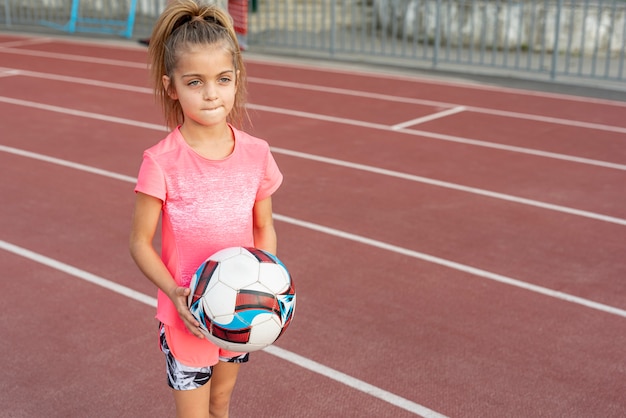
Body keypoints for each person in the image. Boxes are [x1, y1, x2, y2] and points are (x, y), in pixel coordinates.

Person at [128, 1, 283, 417]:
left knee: (220, 404)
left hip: (240, 314)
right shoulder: (160, 162)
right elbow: (140, 242)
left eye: (223, 79)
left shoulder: (257, 153)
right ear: (171, 86)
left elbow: (263, 227)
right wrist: (176, 296)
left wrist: (266, 284)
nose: (212, 93)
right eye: (195, 82)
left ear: (236, 80)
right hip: (188, 316)